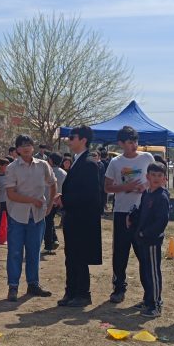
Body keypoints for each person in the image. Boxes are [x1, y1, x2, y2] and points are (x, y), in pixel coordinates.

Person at [104, 126, 156, 304]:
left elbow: (156, 180)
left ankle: (149, 292)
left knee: (144, 254)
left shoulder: (147, 158)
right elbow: (107, 187)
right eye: (129, 142)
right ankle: (119, 288)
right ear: (121, 143)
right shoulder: (115, 162)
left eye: (135, 141)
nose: (134, 145)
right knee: (120, 252)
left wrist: (146, 187)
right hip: (121, 211)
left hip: (142, 213)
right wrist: (124, 187)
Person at [4, 134, 57, 302]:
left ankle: (33, 284)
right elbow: (11, 194)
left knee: (34, 251)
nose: (26, 147)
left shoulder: (43, 165)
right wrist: (32, 200)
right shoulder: (12, 168)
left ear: (33, 147)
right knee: (15, 252)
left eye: (29, 144)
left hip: (38, 215)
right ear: (17, 149)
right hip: (17, 215)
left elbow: (53, 184)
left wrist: (49, 206)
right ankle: (13, 286)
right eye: (22, 145)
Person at [56, 125, 103, 307]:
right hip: (73, 217)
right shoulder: (78, 160)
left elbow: (90, 194)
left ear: (83, 140)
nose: (69, 140)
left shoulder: (89, 163)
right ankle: (71, 291)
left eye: (72, 137)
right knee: (71, 255)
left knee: (79, 256)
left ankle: (82, 293)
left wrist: (65, 200)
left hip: (82, 219)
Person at [127, 161, 170, 318]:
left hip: (152, 241)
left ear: (165, 179)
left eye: (160, 175)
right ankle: (148, 299)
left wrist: (147, 233)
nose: (156, 178)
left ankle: (156, 304)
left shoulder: (162, 196)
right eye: (153, 175)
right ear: (147, 176)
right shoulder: (147, 193)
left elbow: (161, 221)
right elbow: (143, 212)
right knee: (144, 270)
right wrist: (133, 218)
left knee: (152, 272)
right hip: (142, 239)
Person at [44, 152, 67, 252]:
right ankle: (54, 240)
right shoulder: (64, 173)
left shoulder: (47, 171)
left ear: (51, 160)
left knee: (47, 223)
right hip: (59, 200)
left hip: (49, 200)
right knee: (50, 221)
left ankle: (49, 245)